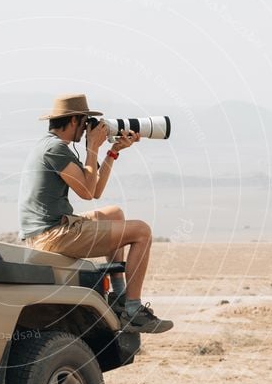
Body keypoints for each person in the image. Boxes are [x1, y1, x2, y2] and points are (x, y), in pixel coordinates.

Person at [18, 94, 172, 334]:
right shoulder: (55, 149)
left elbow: (95, 190)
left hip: (55, 228)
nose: (88, 128)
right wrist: (92, 148)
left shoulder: (51, 146)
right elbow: (88, 193)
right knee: (142, 232)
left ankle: (119, 297)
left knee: (115, 213)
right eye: (85, 121)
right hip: (52, 235)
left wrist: (112, 152)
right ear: (73, 121)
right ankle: (133, 310)